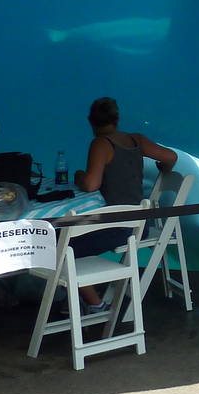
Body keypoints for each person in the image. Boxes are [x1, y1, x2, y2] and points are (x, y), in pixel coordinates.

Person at [69, 97, 177, 310]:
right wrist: (164, 170)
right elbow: (171, 157)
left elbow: (91, 184)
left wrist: (78, 175)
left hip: (117, 226)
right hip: (140, 224)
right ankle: (70, 297)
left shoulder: (101, 143)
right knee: (68, 237)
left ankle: (95, 304)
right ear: (117, 119)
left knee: (61, 245)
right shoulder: (137, 140)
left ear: (91, 121)